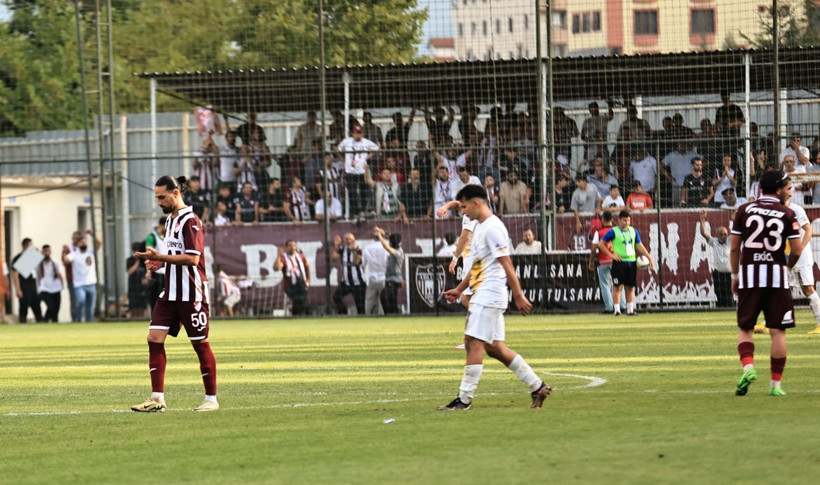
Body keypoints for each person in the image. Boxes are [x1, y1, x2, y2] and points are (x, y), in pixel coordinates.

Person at [440, 184, 551, 410]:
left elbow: (507, 263)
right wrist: (460, 289)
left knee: (472, 342)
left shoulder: (492, 228)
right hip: (484, 291)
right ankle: (537, 386)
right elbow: (477, 265)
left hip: (490, 293)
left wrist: (518, 295)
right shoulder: (480, 227)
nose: (463, 211)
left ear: (477, 203)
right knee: (495, 348)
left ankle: (464, 399)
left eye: (464, 207)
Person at [131, 175, 218, 413]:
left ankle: (211, 399)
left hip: (192, 293)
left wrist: (160, 258)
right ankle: (157, 398)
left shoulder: (191, 221)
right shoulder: (170, 220)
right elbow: (176, 257)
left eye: (162, 197)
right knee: (153, 339)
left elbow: (193, 258)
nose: (159, 201)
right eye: (156, 197)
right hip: (170, 292)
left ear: (176, 193)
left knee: (200, 344)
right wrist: (160, 265)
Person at [730, 170, 801, 397]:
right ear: (779, 189)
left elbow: (734, 248)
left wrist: (734, 276)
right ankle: (775, 386)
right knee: (778, 332)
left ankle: (749, 367)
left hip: (750, 277)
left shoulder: (744, 210)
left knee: (745, 328)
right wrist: (787, 266)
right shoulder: (787, 213)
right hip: (777, 278)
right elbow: (797, 249)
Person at [598, 210, 655, 316]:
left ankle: (630, 310)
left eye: (628, 220)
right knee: (617, 286)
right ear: (619, 220)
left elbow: (639, 245)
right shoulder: (613, 231)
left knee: (630, 286)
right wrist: (611, 255)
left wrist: (649, 257)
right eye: (624, 220)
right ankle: (617, 310)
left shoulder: (633, 231)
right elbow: (601, 244)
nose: (627, 222)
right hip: (619, 262)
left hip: (632, 261)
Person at [781, 198, 820, 335]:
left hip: (801, 256)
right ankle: (773, 321)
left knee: (807, 289)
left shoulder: (796, 209)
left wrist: (800, 249)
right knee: (778, 287)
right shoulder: (775, 210)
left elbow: (808, 230)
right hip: (784, 255)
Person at [337, 125, 379, 222]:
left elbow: (377, 148)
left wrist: (368, 157)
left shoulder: (365, 142)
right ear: (352, 134)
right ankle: (354, 212)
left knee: (363, 191)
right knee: (352, 192)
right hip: (350, 171)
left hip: (361, 171)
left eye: (360, 133)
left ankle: (362, 212)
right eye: (356, 133)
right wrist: (343, 161)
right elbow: (338, 149)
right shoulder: (347, 141)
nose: (358, 136)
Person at [589, 211, 626, 315]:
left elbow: (593, 249)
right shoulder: (618, 231)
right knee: (619, 284)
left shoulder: (598, 233)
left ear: (602, 220)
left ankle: (609, 308)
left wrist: (591, 261)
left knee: (605, 285)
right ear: (612, 219)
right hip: (617, 261)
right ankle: (622, 306)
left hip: (604, 261)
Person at [699, 210, 732, 308]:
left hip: (729, 273)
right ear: (717, 235)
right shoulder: (714, 241)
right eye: (721, 234)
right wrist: (702, 220)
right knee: (719, 293)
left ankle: (729, 308)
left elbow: (738, 233)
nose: (723, 236)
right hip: (718, 272)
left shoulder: (730, 241)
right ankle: (720, 309)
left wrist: (735, 220)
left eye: (725, 234)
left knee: (729, 293)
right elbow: (703, 233)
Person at [63, 232, 99, 323]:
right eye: (81, 242)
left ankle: (88, 322)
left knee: (90, 306)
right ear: (78, 244)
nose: (83, 243)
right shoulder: (74, 254)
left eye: (85, 242)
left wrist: (92, 234)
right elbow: (66, 260)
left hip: (91, 283)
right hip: (79, 284)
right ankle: (78, 319)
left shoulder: (90, 253)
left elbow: (100, 243)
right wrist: (63, 251)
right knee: (81, 301)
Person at [331, 233, 366, 315]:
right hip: (346, 282)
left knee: (360, 305)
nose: (348, 241)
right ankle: (343, 313)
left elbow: (356, 262)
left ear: (354, 240)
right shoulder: (343, 250)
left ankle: (363, 321)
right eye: (346, 239)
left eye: (350, 239)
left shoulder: (359, 249)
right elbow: (333, 258)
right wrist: (336, 246)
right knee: (336, 297)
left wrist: (353, 250)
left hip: (358, 282)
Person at [274, 240, 311, 316]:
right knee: (297, 299)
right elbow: (277, 268)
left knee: (302, 299)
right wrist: (278, 256)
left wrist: (308, 280)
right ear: (286, 247)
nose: (292, 247)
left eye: (294, 245)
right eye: (290, 246)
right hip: (290, 285)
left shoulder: (300, 256)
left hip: (301, 283)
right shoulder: (284, 258)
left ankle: (298, 315)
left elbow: (307, 266)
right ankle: (296, 315)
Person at [11, 238, 43, 323]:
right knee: (24, 307)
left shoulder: (31, 256)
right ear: (25, 246)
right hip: (24, 286)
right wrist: (18, 289)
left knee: (37, 306)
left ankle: (40, 322)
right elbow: (15, 274)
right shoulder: (18, 258)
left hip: (33, 285)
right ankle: (22, 322)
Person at [374, 227, 403, 314]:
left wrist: (380, 236)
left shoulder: (398, 252)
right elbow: (390, 241)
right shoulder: (398, 249)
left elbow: (387, 248)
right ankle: (394, 314)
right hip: (393, 279)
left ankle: (388, 314)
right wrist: (383, 233)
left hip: (393, 279)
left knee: (384, 296)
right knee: (392, 299)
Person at [362, 229, 389, 315]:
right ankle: (381, 318)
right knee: (383, 301)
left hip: (372, 277)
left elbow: (363, 264)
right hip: (384, 276)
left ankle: (366, 316)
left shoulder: (368, 247)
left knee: (368, 301)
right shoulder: (387, 247)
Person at [36, 244, 63, 323]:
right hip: (44, 288)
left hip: (56, 287)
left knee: (56, 308)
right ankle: (45, 319)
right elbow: (24, 266)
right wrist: (33, 252)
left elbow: (59, 273)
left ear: (50, 252)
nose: (46, 253)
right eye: (45, 251)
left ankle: (54, 322)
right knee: (51, 306)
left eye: (48, 251)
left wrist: (62, 284)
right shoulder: (39, 264)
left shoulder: (55, 262)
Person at [145, 217, 167, 314]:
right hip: (157, 272)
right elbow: (148, 254)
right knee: (156, 296)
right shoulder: (152, 237)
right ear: (162, 225)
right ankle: (155, 316)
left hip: (167, 272)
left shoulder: (167, 237)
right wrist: (148, 271)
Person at [126, 241, 148, 319]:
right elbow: (130, 271)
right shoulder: (130, 260)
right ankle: (133, 319)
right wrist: (138, 262)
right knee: (133, 306)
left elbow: (147, 271)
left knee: (142, 306)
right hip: (133, 285)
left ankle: (142, 319)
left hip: (142, 286)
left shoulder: (144, 260)